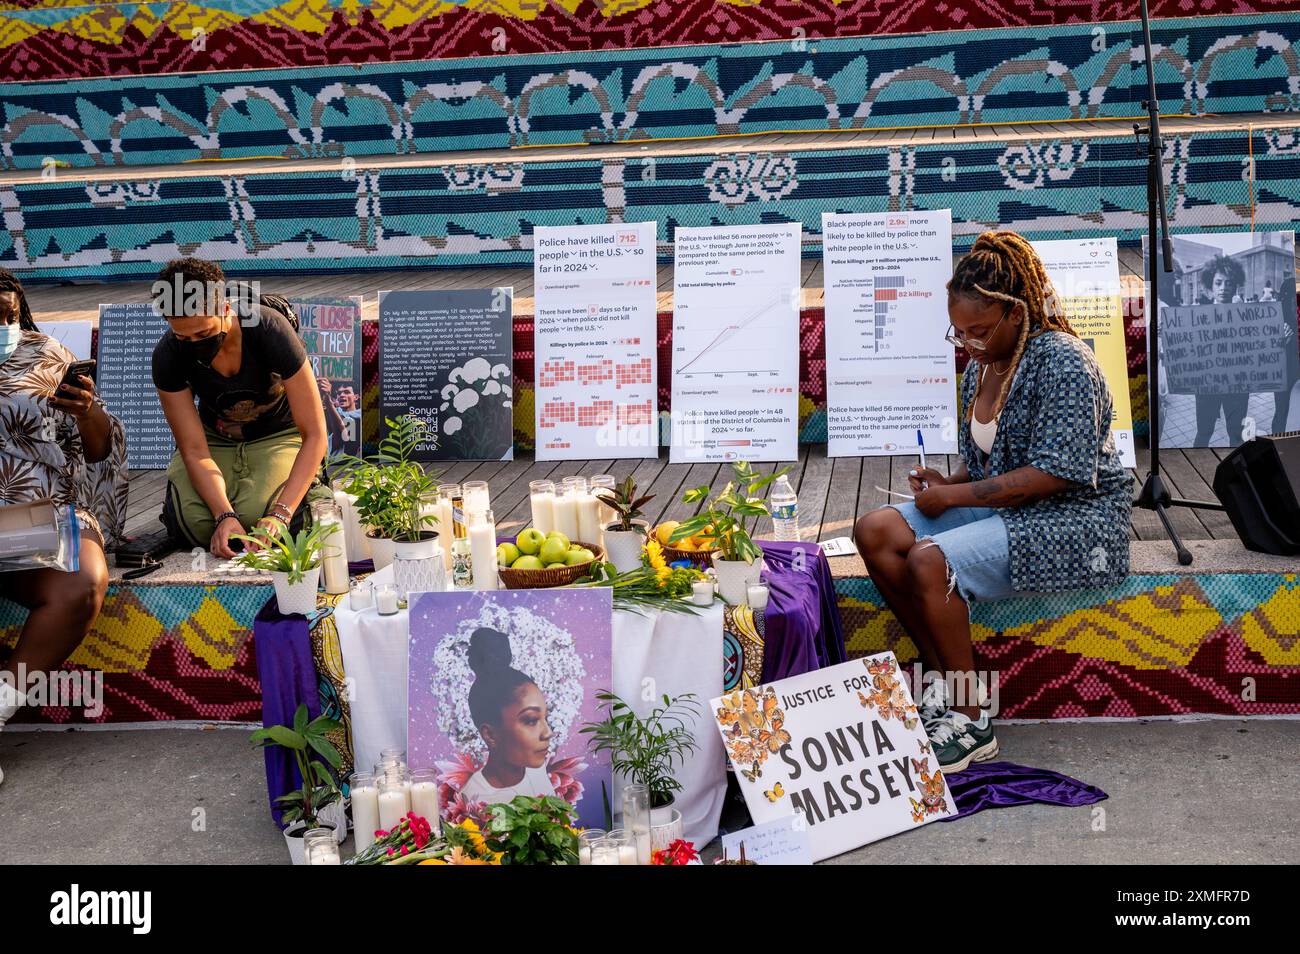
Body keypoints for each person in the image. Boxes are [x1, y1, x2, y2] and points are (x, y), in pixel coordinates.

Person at [854, 231, 1133, 772]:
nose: (968, 344)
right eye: (958, 332)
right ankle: (941, 680)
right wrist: (947, 481)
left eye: (979, 331)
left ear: (1015, 312)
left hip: (1077, 516)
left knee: (931, 558)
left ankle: (971, 718)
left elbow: (1057, 471)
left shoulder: (1062, 362)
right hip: (1016, 506)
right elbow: (991, 464)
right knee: (876, 531)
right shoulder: (981, 367)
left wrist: (953, 497)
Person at [0, 269, 128, 785]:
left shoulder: (45, 355)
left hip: (31, 507)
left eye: (6, 299)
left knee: (80, 583)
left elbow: (97, 449)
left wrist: (87, 410)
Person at [151, 258, 332, 558]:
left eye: (204, 334)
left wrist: (281, 514)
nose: (193, 344)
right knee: (195, 523)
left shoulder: (269, 329)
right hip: (217, 439)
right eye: (183, 337)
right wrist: (224, 515)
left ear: (225, 309)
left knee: (258, 519)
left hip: (279, 435)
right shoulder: (168, 355)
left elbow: (315, 434)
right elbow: (194, 449)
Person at [459, 627, 558, 804]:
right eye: (531, 720)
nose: (547, 733)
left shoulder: (537, 772)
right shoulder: (474, 799)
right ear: (490, 735)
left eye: (546, 718)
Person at [1193, 255, 1249, 446]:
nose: (1224, 288)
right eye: (1219, 283)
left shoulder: (1248, 315)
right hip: (1207, 384)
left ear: (1236, 286)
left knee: (1237, 434)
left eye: (1229, 283)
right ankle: (1193, 470)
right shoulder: (1196, 317)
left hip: (1237, 383)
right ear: (1211, 286)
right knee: (1203, 432)